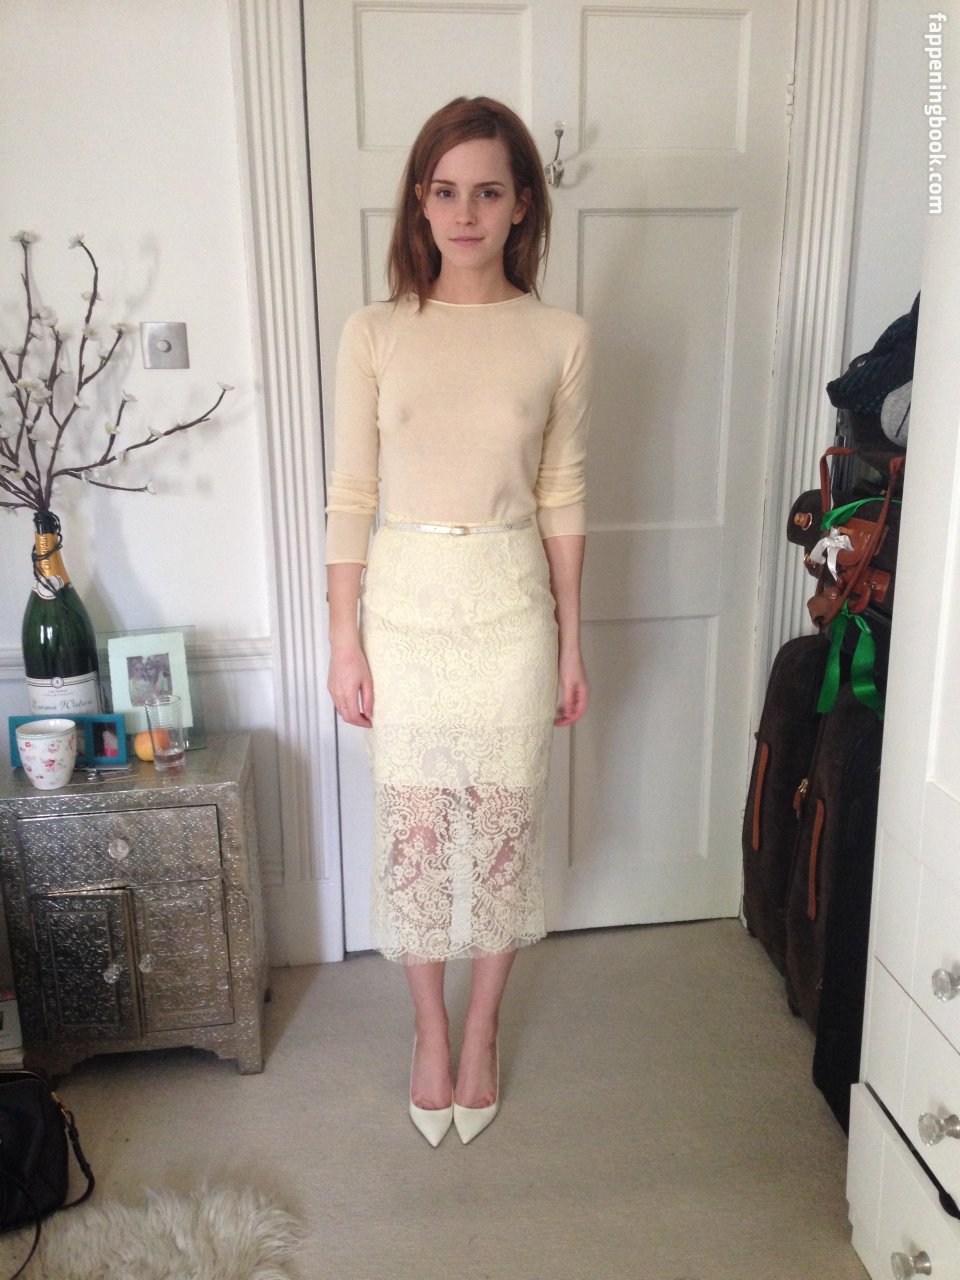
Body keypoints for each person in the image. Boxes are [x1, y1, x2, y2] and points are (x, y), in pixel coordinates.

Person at [325, 96, 592, 1146]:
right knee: (419, 833)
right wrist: (343, 638)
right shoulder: (376, 331)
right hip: (404, 608)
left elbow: (563, 495)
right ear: (420, 202)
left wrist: (572, 642)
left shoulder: (560, 337)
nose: (465, 212)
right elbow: (352, 494)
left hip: (510, 607)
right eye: (445, 191)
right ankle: (429, 1033)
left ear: (522, 203)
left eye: (488, 191)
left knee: (504, 833)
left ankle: (482, 1031)